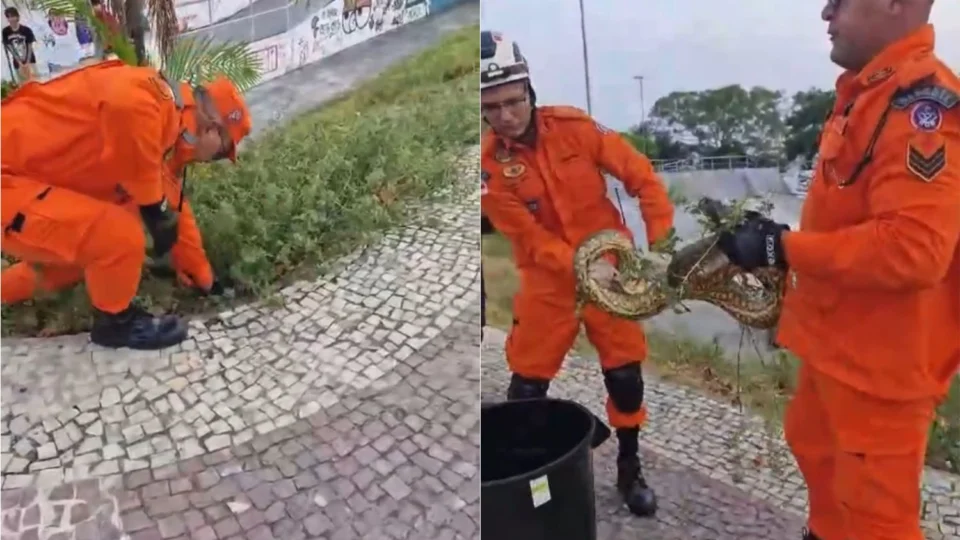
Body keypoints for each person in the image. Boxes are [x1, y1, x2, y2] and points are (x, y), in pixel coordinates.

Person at [716, 1, 960, 538]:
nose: (826, 12)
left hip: (881, 374)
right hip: (833, 351)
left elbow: (914, 249)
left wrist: (782, 248)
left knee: (876, 518)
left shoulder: (923, 107)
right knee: (821, 469)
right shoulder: (863, 97)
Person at [478, 30, 675, 517]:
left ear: (529, 91)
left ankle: (629, 467)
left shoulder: (576, 128)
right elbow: (528, 239)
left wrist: (664, 247)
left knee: (625, 377)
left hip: (614, 272)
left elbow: (642, 178)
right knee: (525, 388)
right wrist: (584, 269)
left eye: (512, 100)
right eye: (491, 107)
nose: (505, 116)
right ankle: (528, 477)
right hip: (551, 285)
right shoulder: (488, 168)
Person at [1, 59, 252, 350]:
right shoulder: (156, 98)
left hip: (22, 182)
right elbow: (125, 103)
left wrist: (206, 280)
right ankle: (115, 325)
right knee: (118, 236)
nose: (212, 161)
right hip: (6, 177)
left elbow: (175, 217)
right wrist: (150, 205)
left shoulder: (163, 141)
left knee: (81, 257)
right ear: (213, 130)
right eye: (221, 153)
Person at [2, 7, 36, 81]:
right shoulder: (5, 31)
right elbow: (10, 48)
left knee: (34, 83)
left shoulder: (26, 30)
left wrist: (27, 62)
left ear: (17, 17)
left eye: (13, 16)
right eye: (9, 17)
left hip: (30, 60)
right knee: (23, 85)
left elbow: (30, 47)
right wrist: (20, 63)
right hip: (17, 63)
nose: (11, 19)